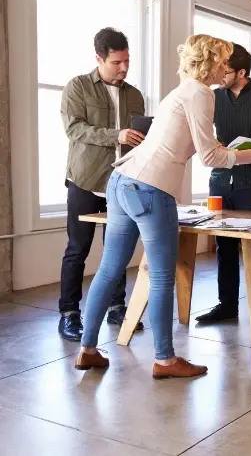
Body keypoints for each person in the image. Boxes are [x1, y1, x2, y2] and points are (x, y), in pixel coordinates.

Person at [74, 35, 251, 379]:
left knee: (110, 269)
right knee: (163, 275)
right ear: (211, 63)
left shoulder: (183, 89)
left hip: (123, 180)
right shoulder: (201, 94)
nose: (227, 67)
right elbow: (211, 155)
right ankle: (165, 360)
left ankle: (87, 350)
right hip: (151, 187)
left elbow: (195, 144)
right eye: (223, 61)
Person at [58, 27, 146, 342]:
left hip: (122, 183)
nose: (123, 68)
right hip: (84, 180)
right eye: (116, 62)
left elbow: (138, 139)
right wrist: (115, 136)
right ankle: (69, 314)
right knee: (77, 249)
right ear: (99, 58)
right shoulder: (77, 87)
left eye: (127, 61)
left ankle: (117, 307)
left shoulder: (134, 94)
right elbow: (74, 129)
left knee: (117, 250)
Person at [195, 43, 251, 324]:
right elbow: (204, 138)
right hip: (220, 182)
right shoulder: (213, 97)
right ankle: (227, 306)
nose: (220, 73)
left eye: (226, 69)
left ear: (242, 72)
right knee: (224, 246)